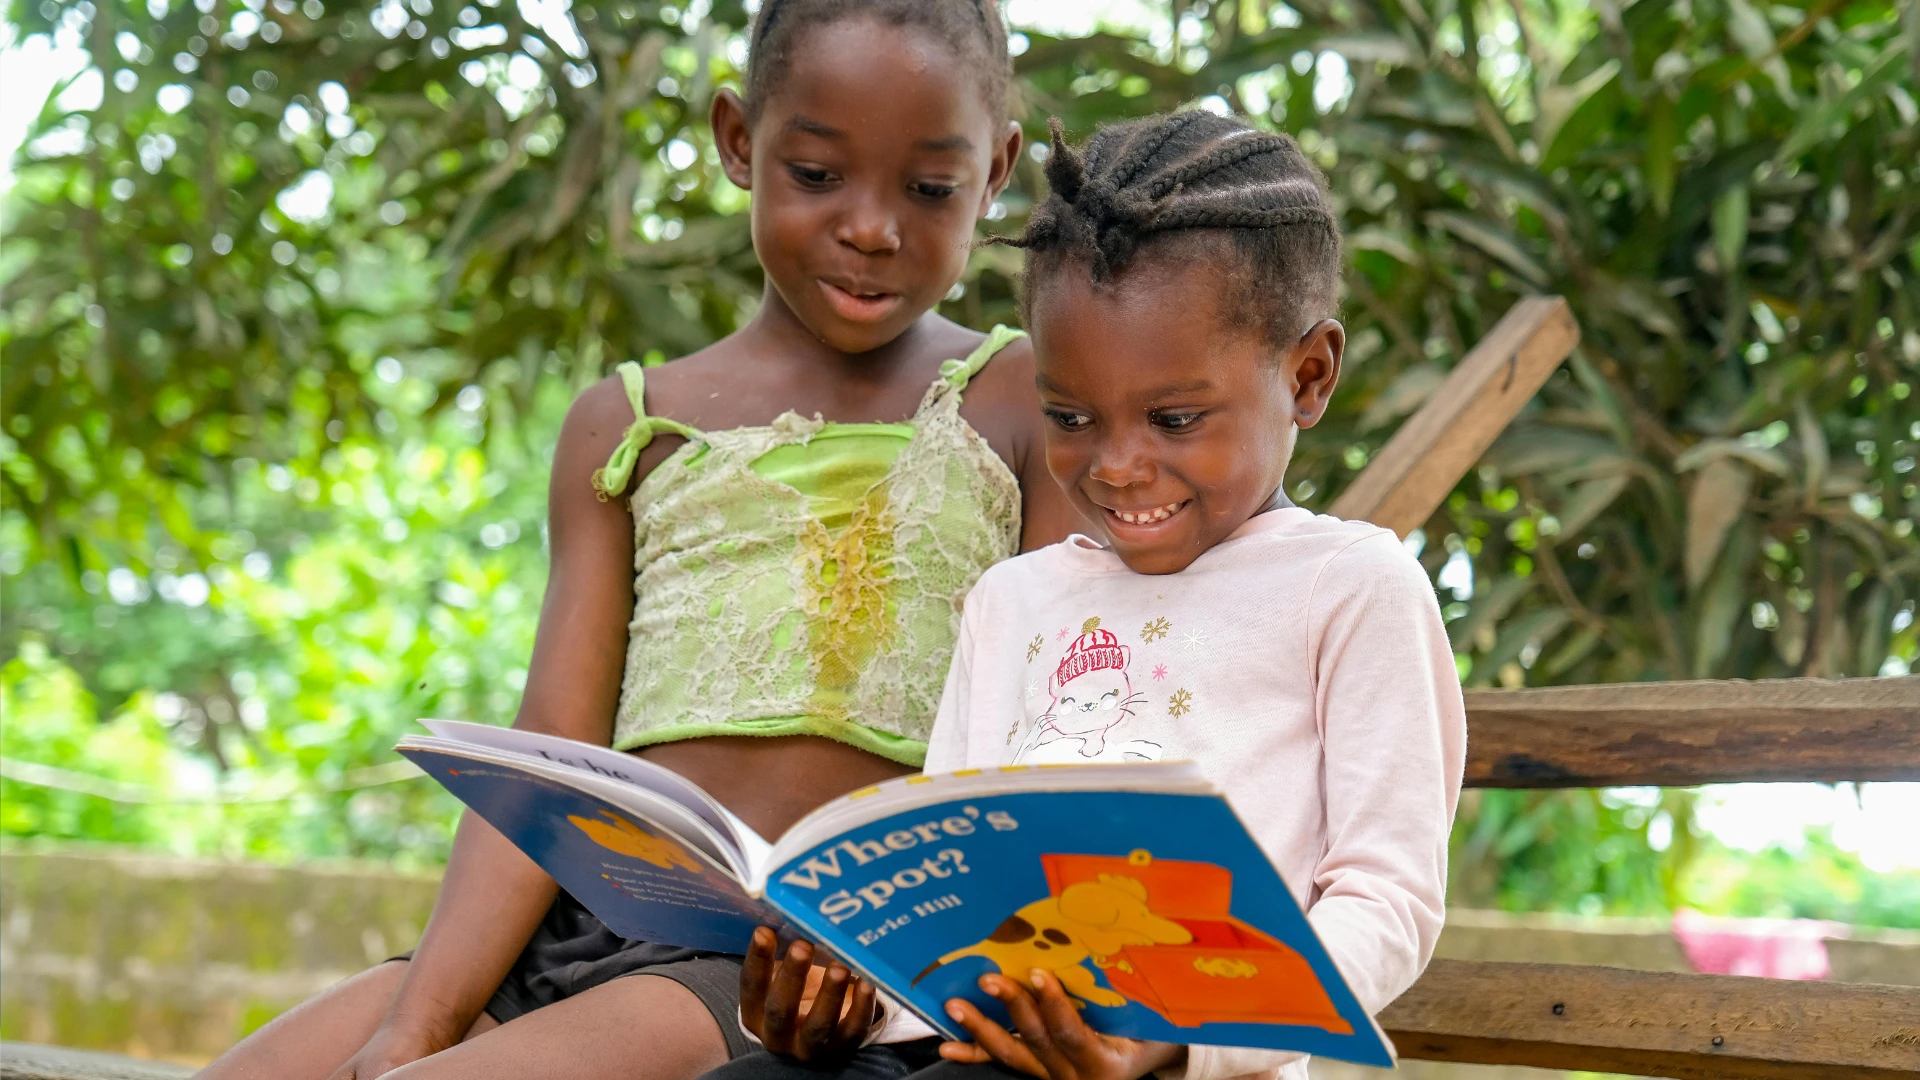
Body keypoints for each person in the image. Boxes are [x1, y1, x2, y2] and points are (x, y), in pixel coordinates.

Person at [195, 3, 1079, 1078]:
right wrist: (413, 1027)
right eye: (816, 174)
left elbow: (1066, 725)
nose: (872, 227)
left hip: (773, 976)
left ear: (996, 174)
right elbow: (550, 748)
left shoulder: (1026, 401)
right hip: (575, 936)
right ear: (738, 142)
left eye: (930, 189)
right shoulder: (626, 427)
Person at [722, 110, 1466, 1080]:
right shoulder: (1015, 602)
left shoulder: (1351, 588)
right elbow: (947, 900)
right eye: (1070, 416)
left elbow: (1386, 901)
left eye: (1175, 418)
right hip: (975, 1049)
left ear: (1308, 374)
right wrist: (845, 1014)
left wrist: (1178, 1034)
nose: (1116, 467)